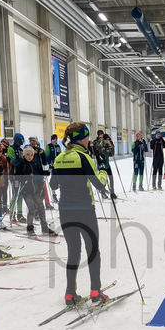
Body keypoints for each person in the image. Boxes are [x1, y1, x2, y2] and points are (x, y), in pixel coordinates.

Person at [49, 122, 110, 306]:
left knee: (73, 253)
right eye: (87, 136)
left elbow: (53, 185)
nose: (88, 139)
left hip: (66, 211)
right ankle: (95, 292)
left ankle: (69, 294)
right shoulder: (84, 157)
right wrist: (103, 172)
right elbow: (99, 184)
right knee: (93, 251)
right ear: (82, 138)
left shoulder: (60, 157)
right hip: (84, 210)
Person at [13, 145, 56, 236]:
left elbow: (39, 171)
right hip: (26, 190)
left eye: (31, 155)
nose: (30, 156)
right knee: (32, 208)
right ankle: (30, 228)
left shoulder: (34, 163)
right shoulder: (21, 164)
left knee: (40, 207)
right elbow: (17, 176)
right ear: (24, 155)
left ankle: (44, 227)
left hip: (35, 189)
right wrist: (26, 177)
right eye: (28, 154)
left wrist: (46, 172)